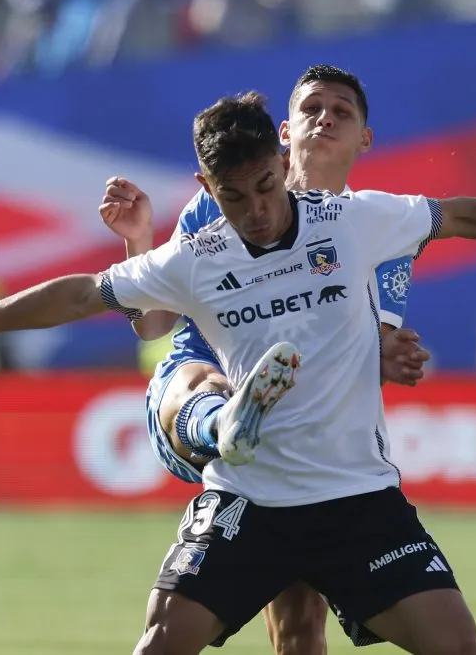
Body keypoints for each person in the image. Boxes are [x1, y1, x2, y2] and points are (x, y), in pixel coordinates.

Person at [0, 91, 476, 654]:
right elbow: (85, 294)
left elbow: (460, 213)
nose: (255, 209)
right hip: (248, 495)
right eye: (233, 196)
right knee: (160, 641)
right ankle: (225, 421)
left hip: (357, 498)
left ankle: (229, 418)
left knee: (443, 645)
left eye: (264, 187)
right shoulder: (196, 253)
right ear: (207, 191)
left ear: (282, 164)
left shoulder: (353, 220)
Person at [98, 64, 427, 653]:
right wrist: (139, 244)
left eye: (341, 112)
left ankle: (238, 422)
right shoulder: (230, 193)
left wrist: (389, 356)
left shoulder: (378, 231)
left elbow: (363, 351)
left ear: (364, 139)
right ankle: (220, 421)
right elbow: (153, 322)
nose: (324, 119)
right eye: (311, 109)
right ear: (284, 133)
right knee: (203, 378)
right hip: (205, 395)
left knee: (300, 627)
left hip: (293, 438)